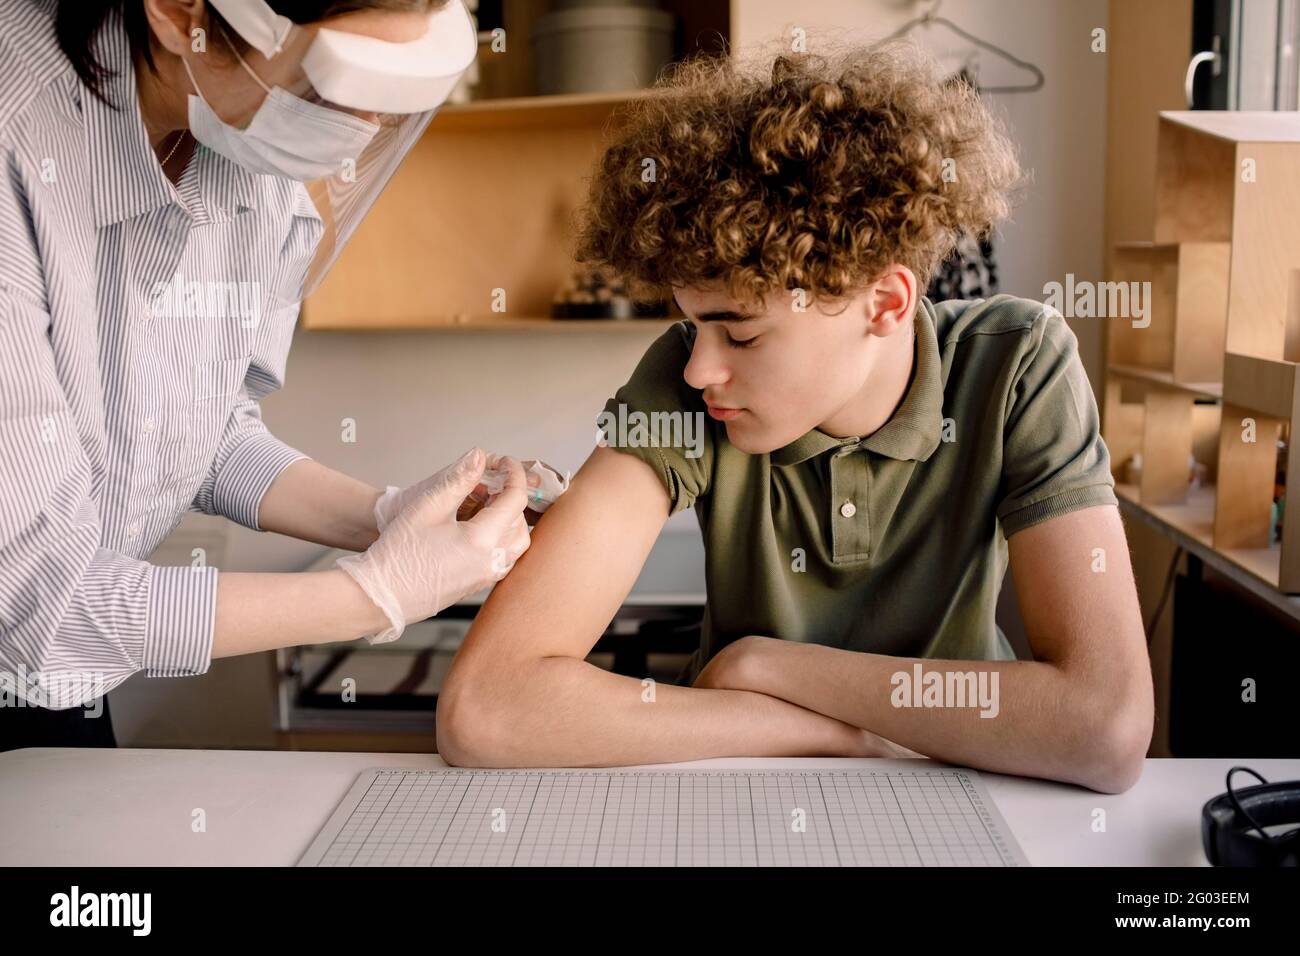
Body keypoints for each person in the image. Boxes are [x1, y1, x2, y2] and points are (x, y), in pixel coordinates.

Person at [435, 43, 1155, 793]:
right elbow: (487, 709)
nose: (698, 369)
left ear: (886, 302)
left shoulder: (1018, 365)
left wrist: (766, 667)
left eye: (741, 333)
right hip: (748, 782)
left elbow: (1105, 726)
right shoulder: (680, 383)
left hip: (976, 793)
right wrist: (833, 732)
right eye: (692, 324)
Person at [0, 0, 531, 750]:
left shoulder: (236, 126)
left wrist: (385, 516)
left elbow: (203, 433)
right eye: (327, 88)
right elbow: (42, 607)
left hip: (64, 679)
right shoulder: (15, 143)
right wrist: (373, 594)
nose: (364, 129)